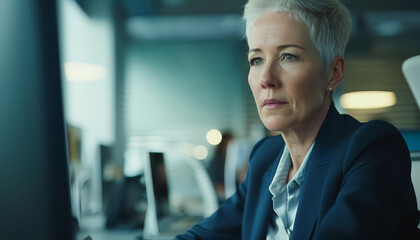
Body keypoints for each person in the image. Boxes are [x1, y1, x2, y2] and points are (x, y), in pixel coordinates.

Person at [175, 0, 420, 239]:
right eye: (256, 60)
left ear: (333, 73)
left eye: (288, 56)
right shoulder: (265, 158)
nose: (266, 78)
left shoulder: (371, 149)